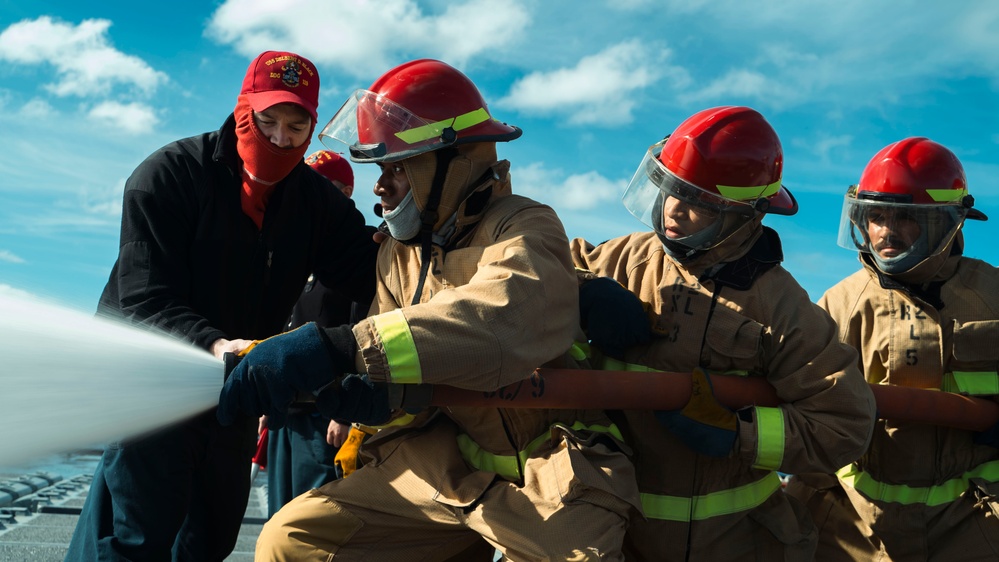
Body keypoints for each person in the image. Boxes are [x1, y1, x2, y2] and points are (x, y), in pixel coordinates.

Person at [217, 58, 643, 560]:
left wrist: (335, 348)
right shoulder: (397, 254)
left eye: (396, 169)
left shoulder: (524, 225)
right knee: (294, 541)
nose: (380, 187)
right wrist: (363, 399)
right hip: (446, 465)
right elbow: (398, 363)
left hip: (553, 465)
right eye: (379, 171)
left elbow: (499, 323)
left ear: (453, 161)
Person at [64, 51, 378, 561]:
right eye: (268, 120)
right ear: (241, 110)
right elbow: (144, 296)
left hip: (234, 392)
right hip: (151, 388)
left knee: (210, 539)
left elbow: (371, 273)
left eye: (296, 127)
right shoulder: (167, 175)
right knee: (132, 538)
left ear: (312, 127)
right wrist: (213, 343)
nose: (280, 139)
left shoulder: (318, 205)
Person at [570, 106, 878, 560]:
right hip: (616, 536)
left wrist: (740, 435)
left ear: (747, 215)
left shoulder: (783, 308)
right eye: (669, 188)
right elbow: (535, 272)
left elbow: (844, 423)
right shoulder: (616, 262)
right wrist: (579, 287)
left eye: (698, 201)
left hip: (739, 544)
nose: (673, 209)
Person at [784, 137, 999, 560]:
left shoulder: (993, 294)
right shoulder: (837, 306)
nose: (885, 231)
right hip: (856, 529)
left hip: (975, 524)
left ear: (947, 221)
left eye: (903, 216)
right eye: (875, 216)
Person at [263, 149, 371, 517]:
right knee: (278, 513)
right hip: (286, 408)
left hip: (325, 414)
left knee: (313, 514)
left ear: (344, 194)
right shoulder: (297, 255)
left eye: (318, 185)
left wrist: (348, 415)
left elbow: (363, 336)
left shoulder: (353, 257)